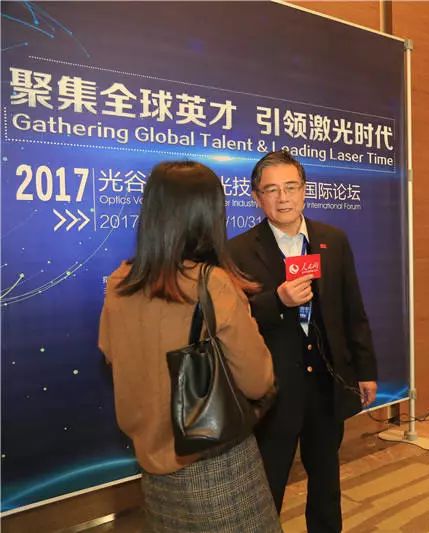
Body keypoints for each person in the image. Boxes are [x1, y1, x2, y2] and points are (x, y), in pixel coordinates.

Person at [99, 161, 280, 533]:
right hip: (216, 464)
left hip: (152, 463)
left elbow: (111, 354)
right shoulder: (212, 284)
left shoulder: (119, 282)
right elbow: (257, 380)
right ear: (207, 216)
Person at [229, 150, 378, 532]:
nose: (283, 198)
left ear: (305, 190)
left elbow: (353, 310)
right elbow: (232, 322)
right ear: (256, 197)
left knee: (326, 482)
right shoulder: (237, 250)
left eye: (291, 187)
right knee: (268, 487)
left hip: (326, 385)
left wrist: (365, 371)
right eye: (272, 190)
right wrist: (277, 301)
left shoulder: (332, 240)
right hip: (274, 390)